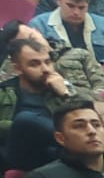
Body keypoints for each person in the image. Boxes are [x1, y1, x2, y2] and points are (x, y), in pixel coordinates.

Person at [2, 33, 76, 170]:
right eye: (34, 64)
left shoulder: (61, 88)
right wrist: (17, 127)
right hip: (18, 154)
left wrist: (65, 94)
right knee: (25, 119)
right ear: (17, 68)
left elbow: (85, 115)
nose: (45, 69)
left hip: (55, 152)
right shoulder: (4, 92)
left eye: (47, 62)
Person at [32, 0, 104, 63]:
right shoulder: (38, 26)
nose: (76, 12)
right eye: (70, 6)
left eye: (81, 7)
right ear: (58, 0)